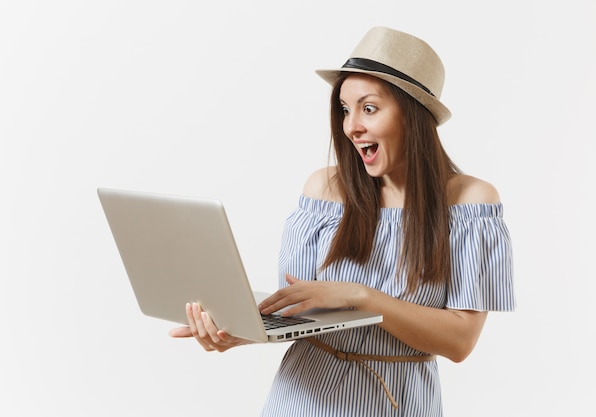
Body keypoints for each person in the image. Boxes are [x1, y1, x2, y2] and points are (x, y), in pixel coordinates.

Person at [169, 26, 515, 416]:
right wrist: (236, 333)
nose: (351, 127)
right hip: (300, 400)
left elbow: (460, 341)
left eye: (369, 108)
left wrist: (361, 297)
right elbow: (295, 313)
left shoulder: (470, 204)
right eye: (345, 110)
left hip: (396, 402)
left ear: (413, 115)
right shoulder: (323, 191)